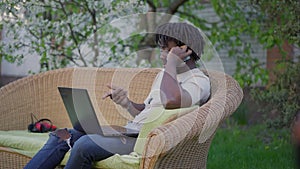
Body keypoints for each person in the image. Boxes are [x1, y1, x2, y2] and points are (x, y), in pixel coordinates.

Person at [24, 22, 211, 169]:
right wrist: (126, 103)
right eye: (161, 50)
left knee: (84, 145)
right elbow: (146, 111)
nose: (162, 56)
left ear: (185, 51)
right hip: (129, 132)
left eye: (167, 50)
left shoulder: (198, 81)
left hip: (144, 143)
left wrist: (171, 63)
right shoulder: (164, 76)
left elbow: (172, 101)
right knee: (60, 134)